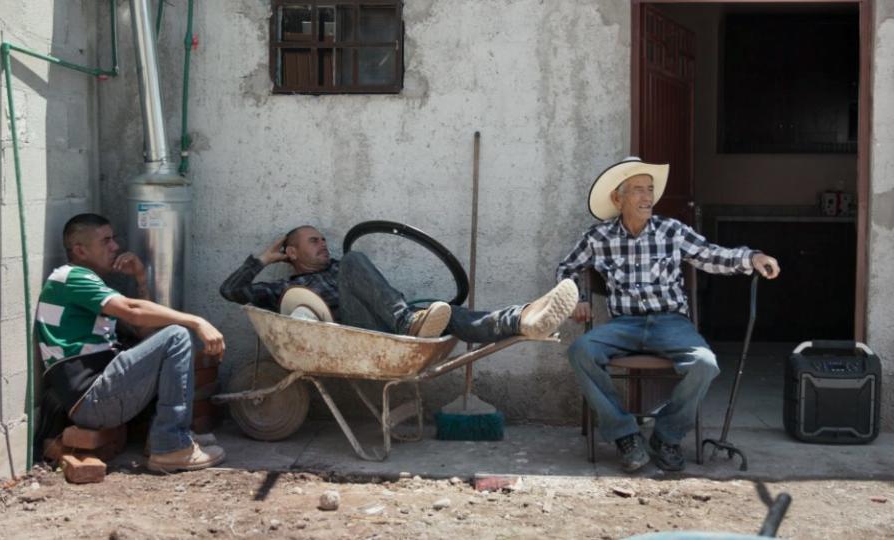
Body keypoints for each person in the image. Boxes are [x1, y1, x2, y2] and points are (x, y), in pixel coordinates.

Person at [556, 157, 780, 472]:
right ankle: (625, 436)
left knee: (705, 363)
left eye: (650, 190)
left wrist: (752, 258)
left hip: (670, 323)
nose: (648, 197)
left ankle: (666, 436)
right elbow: (567, 268)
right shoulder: (598, 237)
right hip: (624, 325)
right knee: (581, 351)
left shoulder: (671, 231)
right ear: (617, 199)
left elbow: (711, 255)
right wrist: (577, 298)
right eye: (638, 190)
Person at [36, 213, 227, 473]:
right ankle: (170, 446)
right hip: (92, 397)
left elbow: (145, 332)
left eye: (113, 239)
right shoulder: (70, 277)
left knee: (169, 338)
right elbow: (132, 310)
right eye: (106, 241)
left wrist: (139, 278)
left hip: (101, 393)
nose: (115, 246)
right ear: (80, 250)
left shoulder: (88, 285)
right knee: (177, 335)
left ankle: (166, 437)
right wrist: (196, 321)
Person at [220, 225, 580, 344]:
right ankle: (409, 321)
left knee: (447, 312)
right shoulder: (283, 291)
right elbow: (230, 291)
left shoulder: (341, 267)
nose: (323, 244)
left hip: (382, 326)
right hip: (351, 337)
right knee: (356, 260)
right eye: (313, 241)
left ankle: (523, 320)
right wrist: (263, 261)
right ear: (292, 252)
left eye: (322, 239)